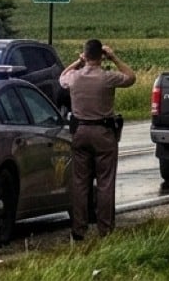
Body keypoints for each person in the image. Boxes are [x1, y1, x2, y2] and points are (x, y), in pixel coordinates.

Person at [58, 38, 136, 239]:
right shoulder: (107, 77)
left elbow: (62, 77)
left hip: (80, 131)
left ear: (85, 55)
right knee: (105, 182)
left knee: (80, 182)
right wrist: (114, 57)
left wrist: (78, 61)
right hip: (103, 133)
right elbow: (131, 77)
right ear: (101, 56)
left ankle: (78, 229)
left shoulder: (74, 77)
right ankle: (105, 228)